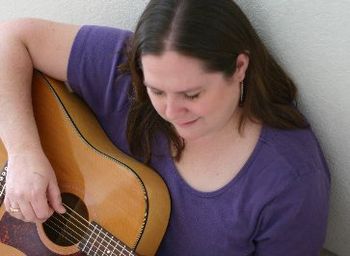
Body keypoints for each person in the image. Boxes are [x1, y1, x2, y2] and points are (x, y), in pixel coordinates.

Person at [0, 0, 331, 255]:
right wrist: (24, 154)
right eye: (156, 90)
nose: (171, 111)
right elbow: (12, 38)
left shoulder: (291, 182)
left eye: (191, 94)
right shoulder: (125, 72)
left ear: (239, 67)